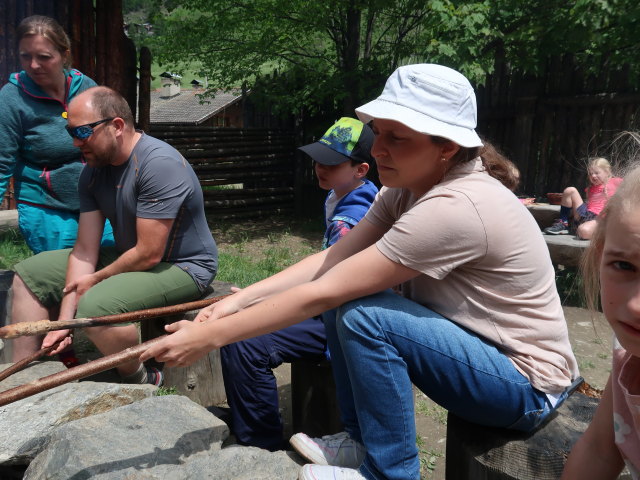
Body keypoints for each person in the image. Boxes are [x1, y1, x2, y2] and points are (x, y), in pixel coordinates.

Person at [141, 64, 579, 480]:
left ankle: (390, 470)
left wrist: (212, 336)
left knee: (364, 313)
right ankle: (361, 442)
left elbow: (324, 290)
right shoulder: (405, 189)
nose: (377, 148)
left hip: (525, 387)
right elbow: (332, 260)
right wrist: (234, 302)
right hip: (479, 360)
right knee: (351, 301)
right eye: (378, 132)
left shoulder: (458, 206)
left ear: (446, 146)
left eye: (397, 137)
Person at [9, 86, 218, 385]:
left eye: (82, 132)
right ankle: (23, 378)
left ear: (117, 126)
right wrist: (63, 323)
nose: (75, 142)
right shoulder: (93, 172)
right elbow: (84, 251)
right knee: (31, 274)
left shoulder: (159, 164)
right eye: (71, 132)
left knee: (95, 305)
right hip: (131, 256)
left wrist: (94, 281)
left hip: (185, 266)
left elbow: (149, 253)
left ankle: (140, 377)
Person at [220, 117, 378, 451]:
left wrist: (267, 305)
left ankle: (260, 444)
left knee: (244, 340)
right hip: (332, 308)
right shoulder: (348, 194)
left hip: (345, 319)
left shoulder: (352, 219)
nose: (320, 167)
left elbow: (335, 284)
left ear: (360, 169)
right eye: (319, 158)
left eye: (332, 163)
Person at [0, 15, 114, 254]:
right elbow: (2, 163)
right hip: (46, 207)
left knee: (112, 268)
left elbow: (114, 140)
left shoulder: (86, 87)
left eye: (44, 57)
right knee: (62, 276)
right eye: (25, 56)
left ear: (64, 55)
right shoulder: (11, 99)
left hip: (98, 200)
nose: (33, 65)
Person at [561, 164, 640, 479]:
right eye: (624, 265)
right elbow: (599, 450)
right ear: (599, 256)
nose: (636, 306)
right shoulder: (629, 359)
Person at [544, 157, 622, 239]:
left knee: (583, 231)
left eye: (596, 173)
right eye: (591, 174)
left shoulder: (615, 182)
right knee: (570, 190)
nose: (593, 176)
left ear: (607, 172)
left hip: (599, 219)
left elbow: (632, 187)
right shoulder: (590, 188)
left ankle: (590, 230)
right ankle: (563, 223)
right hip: (584, 215)